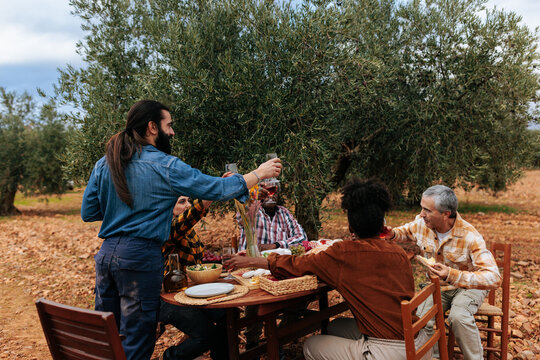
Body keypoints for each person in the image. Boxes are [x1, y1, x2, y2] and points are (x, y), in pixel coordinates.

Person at [81, 99, 281, 360]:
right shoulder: (165, 166)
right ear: (153, 127)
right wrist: (259, 173)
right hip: (140, 258)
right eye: (169, 125)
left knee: (108, 336)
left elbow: (89, 212)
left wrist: (122, 210)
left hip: (107, 255)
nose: (172, 132)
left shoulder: (104, 163)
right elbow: (217, 189)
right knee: (137, 341)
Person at [226, 178, 429, 359]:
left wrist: (250, 261)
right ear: (381, 222)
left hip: (389, 351)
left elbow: (296, 265)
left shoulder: (343, 253)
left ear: (350, 226)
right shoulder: (398, 252)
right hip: (415, 338)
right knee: (334, 326)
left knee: (312, 345)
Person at [386, 184, 501, 360]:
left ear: (446, 214)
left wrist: (452, 274)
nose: (421, 214)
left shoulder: (470, 236)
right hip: (438, 286)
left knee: (459, 316)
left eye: (427, 210)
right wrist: (391, 233)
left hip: (468, 288)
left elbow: (493, 278)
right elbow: (404, 232)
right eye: (421, 209)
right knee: (422, 320)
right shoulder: (421, 224)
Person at [236, 183, 308, 352]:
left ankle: (277, 337)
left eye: (274, 190)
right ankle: (252, 345)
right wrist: (253, 197)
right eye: (266, 190)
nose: (271, 194)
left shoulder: (284, 213)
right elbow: (242, 215)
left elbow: (302, 237)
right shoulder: (252, 211)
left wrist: (274, 245)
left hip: (278, 269)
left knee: (302, 299)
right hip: (252, 270)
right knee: (255, 302)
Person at [158, 196, 228, 360]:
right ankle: (169, 357)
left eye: (188, 201)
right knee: (206, 335)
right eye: (181, 202)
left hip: (190, 292)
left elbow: (197, 263)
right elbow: (190, 216)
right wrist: (214, 192)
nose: (187, 205)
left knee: (226, 315)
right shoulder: (164, 227)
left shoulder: (188, 231)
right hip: (166, 297)